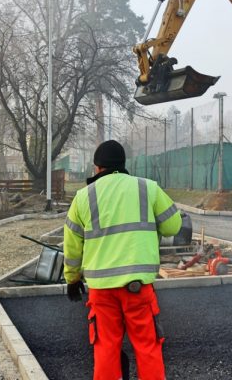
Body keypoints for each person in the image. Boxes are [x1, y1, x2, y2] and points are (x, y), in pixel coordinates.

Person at [63, 140, 182, 380]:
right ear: (123, 164)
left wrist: (72, 279)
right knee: (147, 347)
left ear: (97, 168)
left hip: (101, 292)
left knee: (106, 348)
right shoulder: (147, 188)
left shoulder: (83, 197)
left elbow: (72, 247)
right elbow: (173, 226)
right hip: (137, 289)